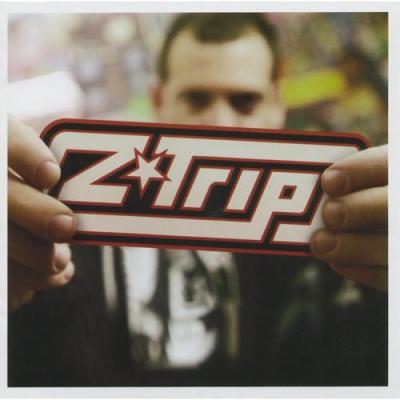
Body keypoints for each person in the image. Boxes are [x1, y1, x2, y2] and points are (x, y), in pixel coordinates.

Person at [8, 13, 388, 386]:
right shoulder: (88, 216)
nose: (220, 123)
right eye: (196, 99)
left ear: (276, 104)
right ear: (159, 100)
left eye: (244, 102)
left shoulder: (333, 224)